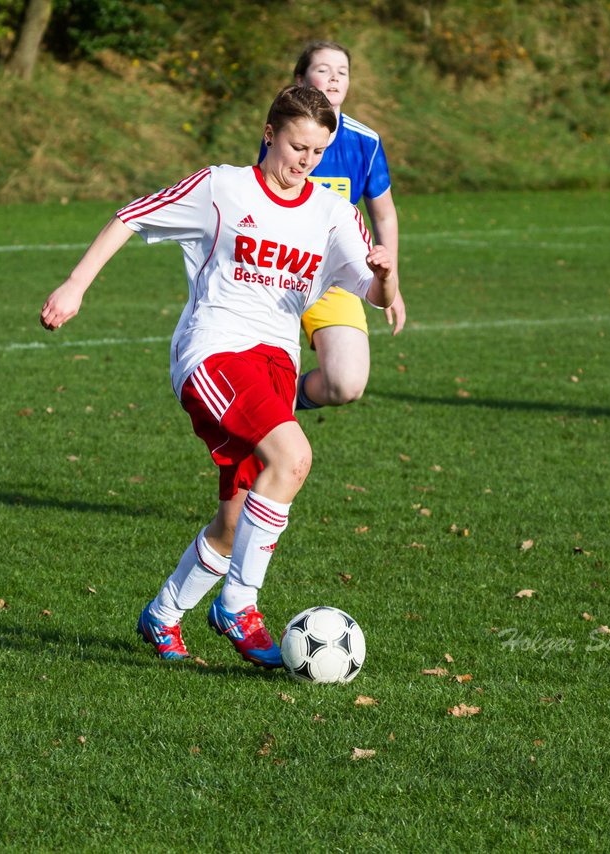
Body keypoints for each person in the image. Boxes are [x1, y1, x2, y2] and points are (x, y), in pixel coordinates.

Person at [41, 85, 397, 668]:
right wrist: (74, 286)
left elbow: (374, 294)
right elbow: (131, 216)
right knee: (293, 458)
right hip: (214, 353)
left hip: (276, 365)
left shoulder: (335, 214)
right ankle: (238, 603)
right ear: (269, 132)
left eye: (316, 151)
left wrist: (385, 275)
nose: (303, 161)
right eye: (295, 146)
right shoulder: (222, 187)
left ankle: (162, 615)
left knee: (234, 520)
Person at [262, 40, 406, 411]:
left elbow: (384, 213)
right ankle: (259, 404)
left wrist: (391, 279)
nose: (334, 78)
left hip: (334, 276)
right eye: (323, 69)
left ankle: (274, 399)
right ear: (299, 79)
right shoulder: (281, 135)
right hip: (279, 269)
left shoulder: (365, 141)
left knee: (346, 384)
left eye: (342, 72)